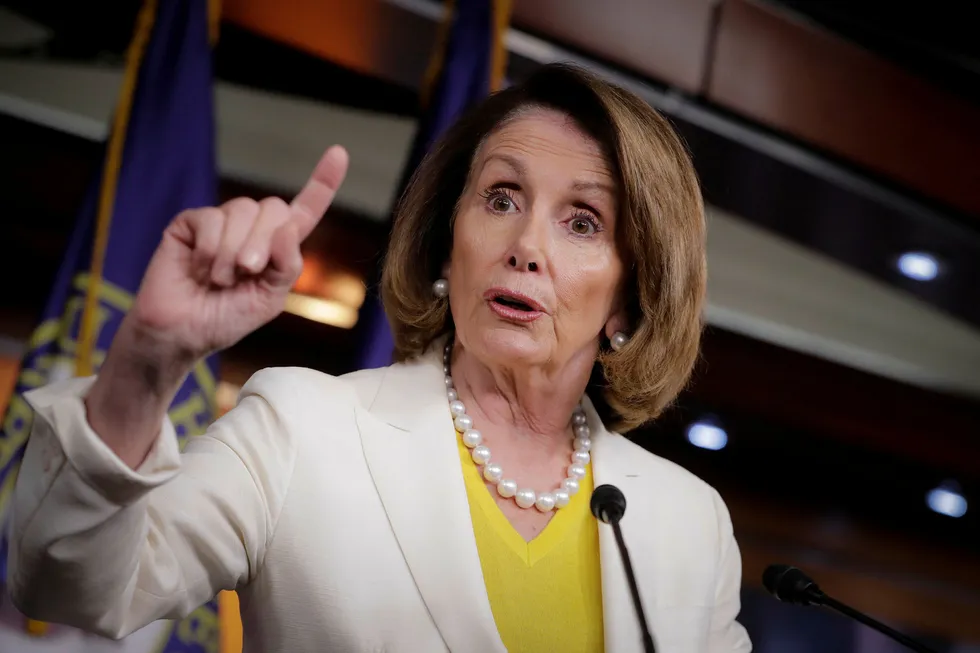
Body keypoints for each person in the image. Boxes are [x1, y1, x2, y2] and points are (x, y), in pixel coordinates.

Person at [8, 64, 751, 652]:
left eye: (583, 221)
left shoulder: (690, 523)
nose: (526, 246)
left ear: (629, 298)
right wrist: (147, 360)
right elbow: (69, 585)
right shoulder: (302, 429)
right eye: (500, 198)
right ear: (444, 242)